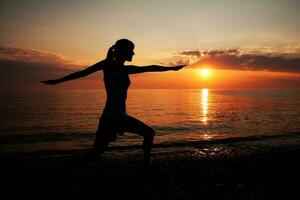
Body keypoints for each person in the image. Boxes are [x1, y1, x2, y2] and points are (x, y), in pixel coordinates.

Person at [41, 39, 185, 165]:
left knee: (149, 133)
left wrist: (172, 69)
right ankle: (64, 167)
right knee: (95, 155)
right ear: (124, 51)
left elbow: (150, 67)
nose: (133, 54)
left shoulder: (126, 69)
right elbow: (82, 73)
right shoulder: (107, 65)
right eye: (131, 51)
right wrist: (57, 81)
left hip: (121, 116)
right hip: (110, 118)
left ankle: (146, 166)